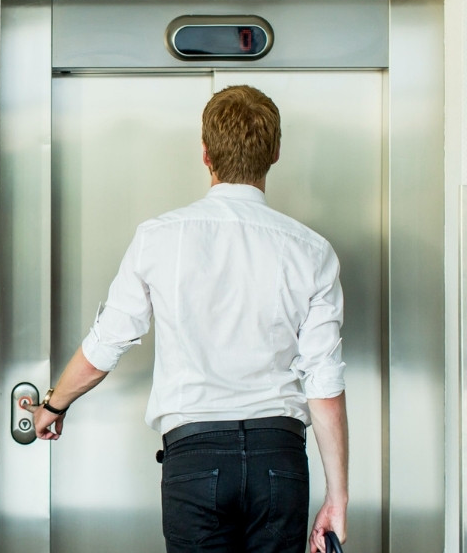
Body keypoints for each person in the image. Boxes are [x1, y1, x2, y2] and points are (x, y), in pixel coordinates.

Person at [26, 85, 348, 553]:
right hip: (278, 460)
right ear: (275, 153)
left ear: (205, 153)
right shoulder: (312, 251)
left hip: (195, 459)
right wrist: (337, 498)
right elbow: (324, 384)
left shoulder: (159, 238)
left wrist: (53, 405)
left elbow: (106, 344)